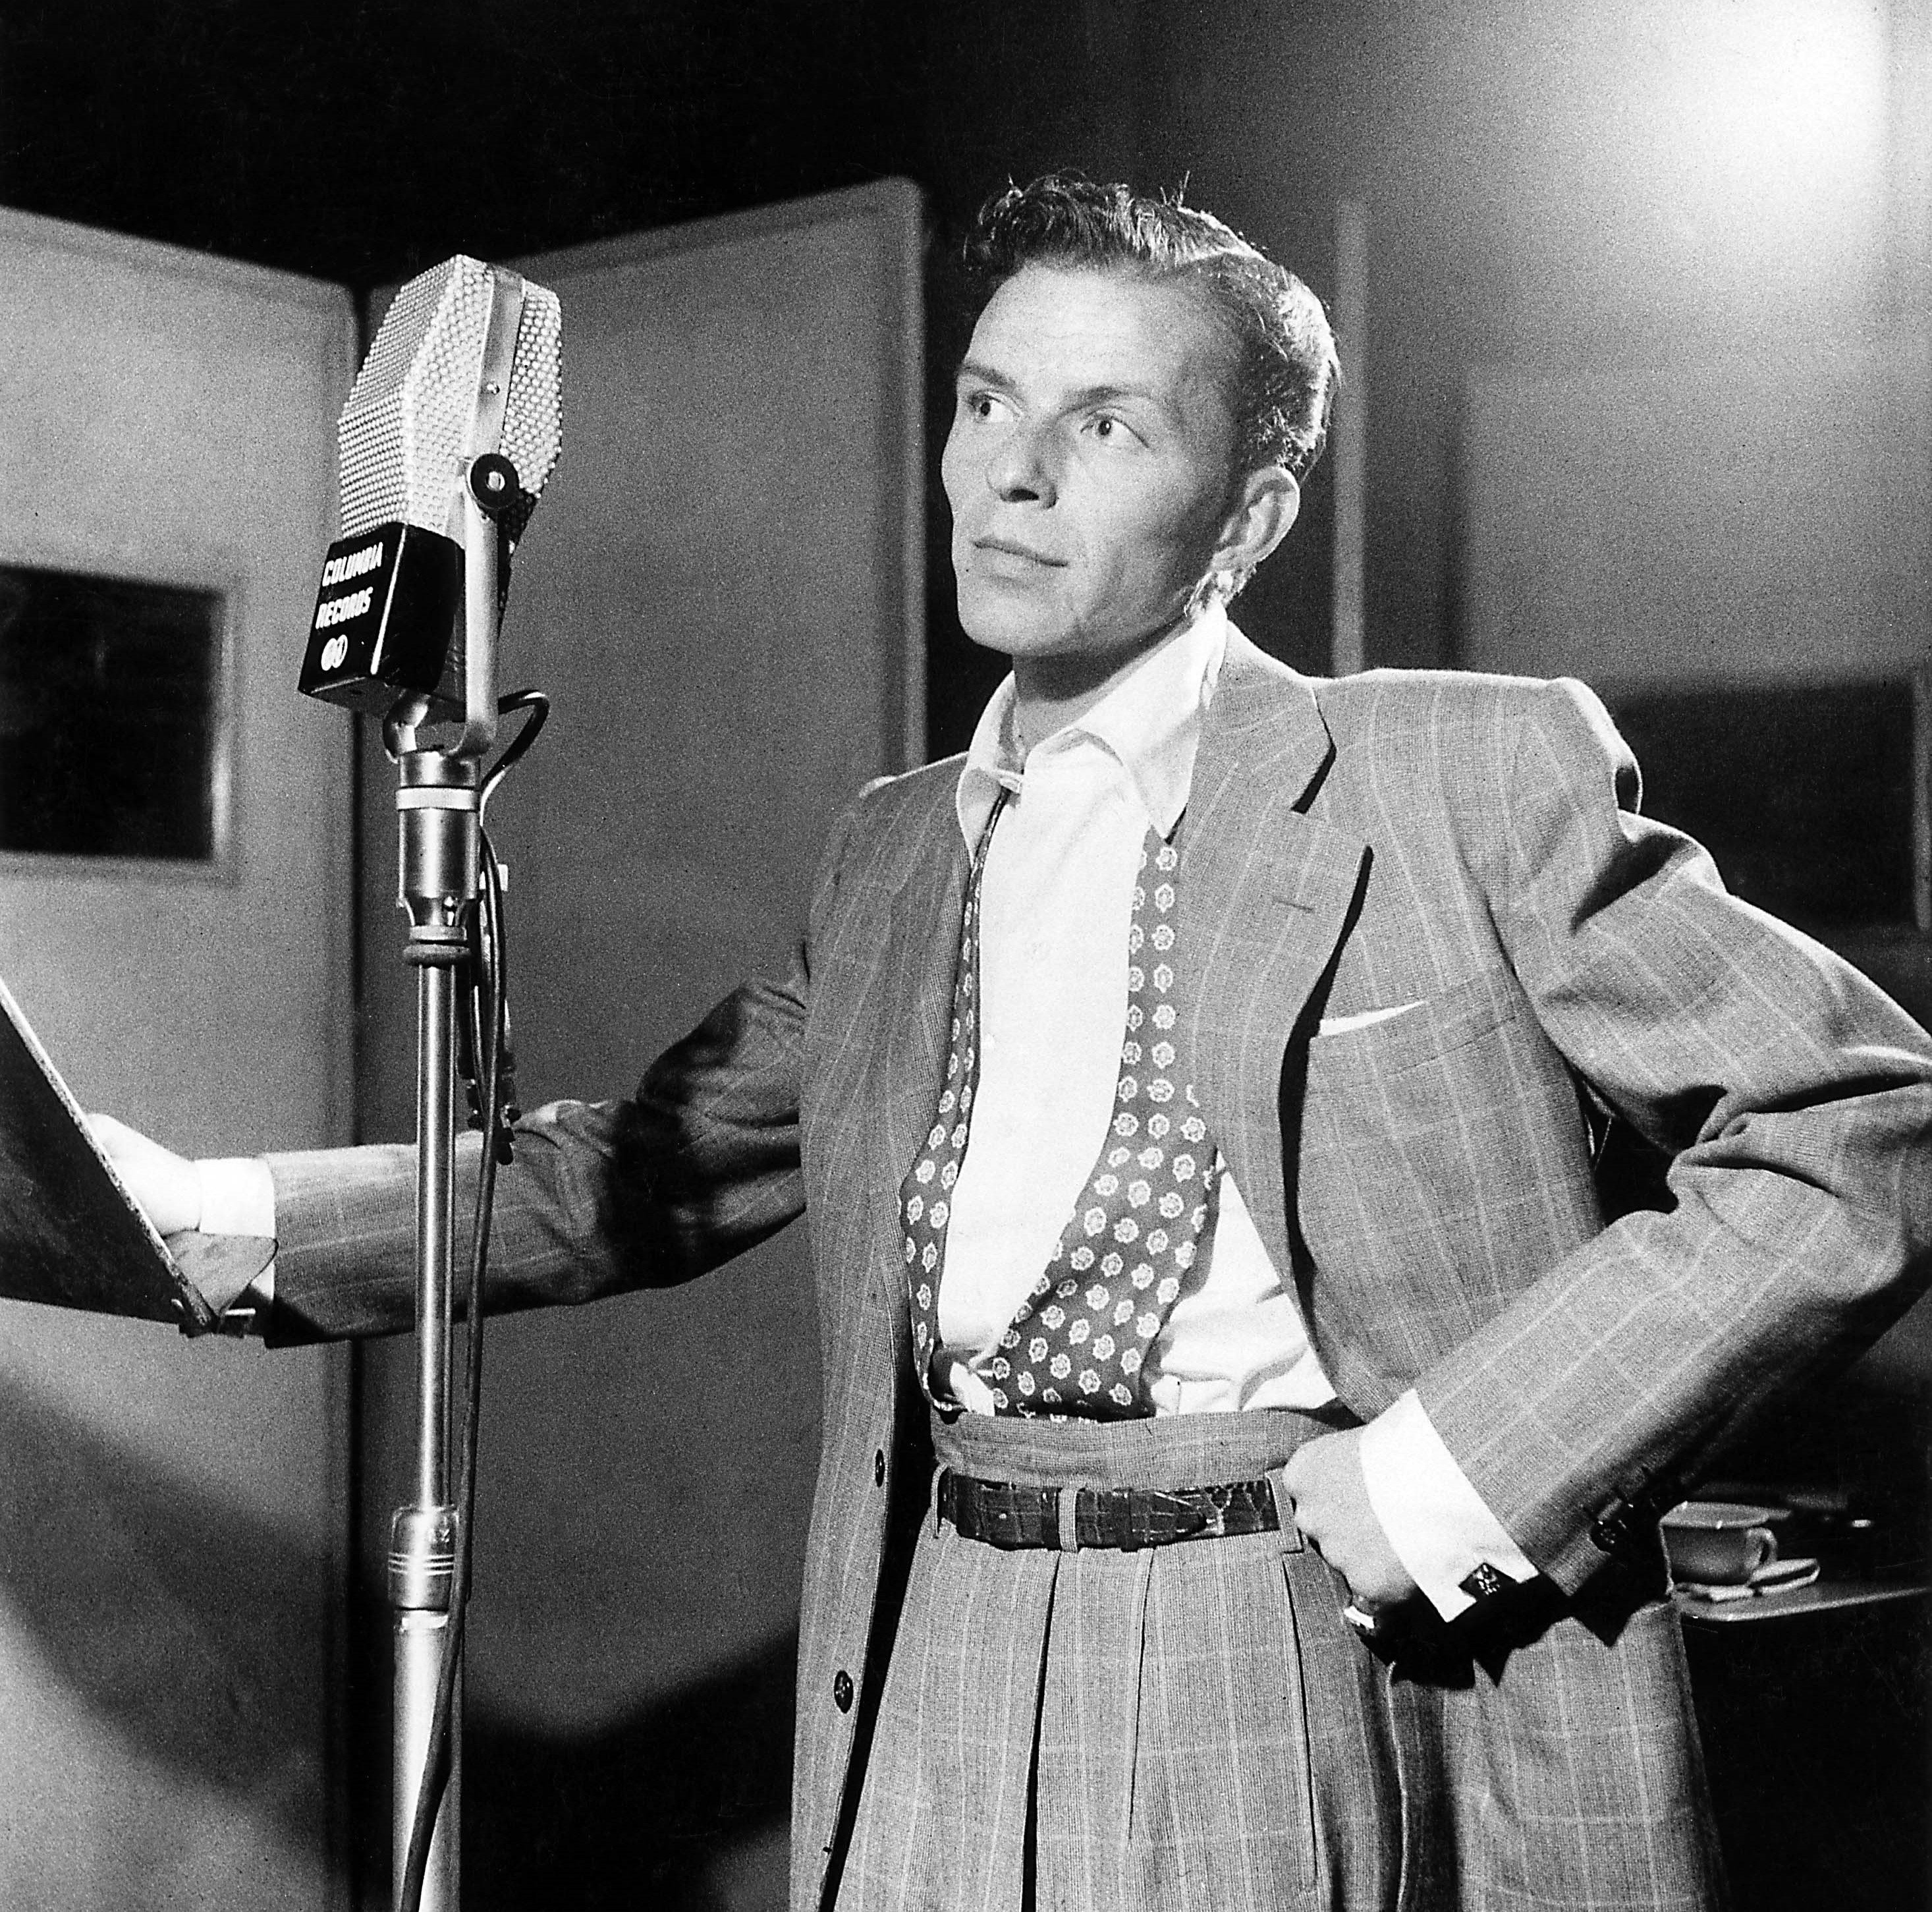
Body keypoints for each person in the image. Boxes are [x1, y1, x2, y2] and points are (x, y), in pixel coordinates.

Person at [100, 175, 1932, 1911]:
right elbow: (630, 1181)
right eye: (988, 402)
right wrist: (210, 1218)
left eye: (1111, 427)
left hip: (1277, 1630)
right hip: (940, 1634)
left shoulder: (1452, 775)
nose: (1013, 474)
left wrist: (1449, 1473)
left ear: (1255, 513)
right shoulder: (895, 850)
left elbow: (1852, 1121)